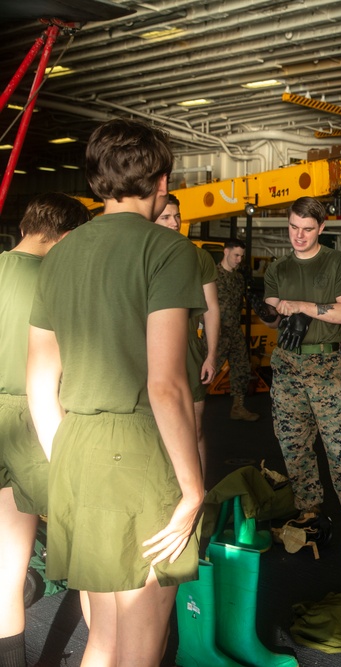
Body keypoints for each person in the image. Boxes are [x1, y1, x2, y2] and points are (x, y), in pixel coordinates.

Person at [26, 118, 206, 667]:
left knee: (103, 639)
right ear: (161, 181)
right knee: (141, 648)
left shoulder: (59, 255)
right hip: (139, 455)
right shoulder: (167, 250)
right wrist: (193, 488)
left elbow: (40, 381)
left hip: (74, 448)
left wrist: (69, 466)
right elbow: (166, 385)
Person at [0, 194, 88, 667]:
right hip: (36, 419)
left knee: (2, 570)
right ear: (66, 235)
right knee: (92, 557)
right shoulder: (56, 282)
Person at [263, 196, 341, 556]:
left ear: (321, 228)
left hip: (324, 366)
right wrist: (266, 312)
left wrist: (301, 309)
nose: (298, 235)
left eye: (307, 229)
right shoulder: (278, 269)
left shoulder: (336, 262)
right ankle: (308, 509)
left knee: (340, 446)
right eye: (293, 227)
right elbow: (273, 315)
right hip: (287, 365)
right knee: (294, 446)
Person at [154, 193, 220, 475]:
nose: (174, 223)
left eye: (177, 216)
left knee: (193, 428)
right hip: (150, 354)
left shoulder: (198, 256)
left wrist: (211, 355)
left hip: (189, 355)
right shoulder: (142, 257)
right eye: (166, 217)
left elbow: (212, 308)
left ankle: (198, 498)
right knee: (154, 434)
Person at [215, 239, 260, 421]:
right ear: (226, 252)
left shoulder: (238, 278)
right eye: (236, 255)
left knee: (242, 368)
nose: (239, 260)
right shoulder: (212, 275)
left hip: (234, 330)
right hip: (217, 332)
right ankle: (191, 405)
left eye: (241, 256)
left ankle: (238, 407)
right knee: (206, 371)